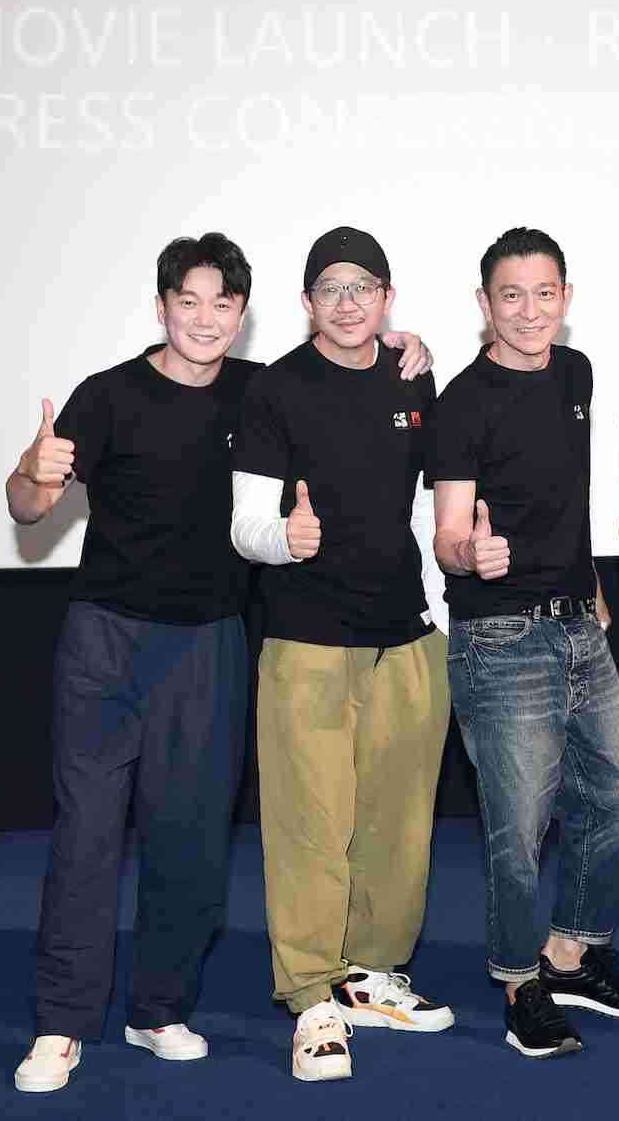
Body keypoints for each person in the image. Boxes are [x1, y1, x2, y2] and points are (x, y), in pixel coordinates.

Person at [4, 233, 260, 1094]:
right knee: (86, 833)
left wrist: (410, 349)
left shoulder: (262, 394)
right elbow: (29, 506)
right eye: (188, 301)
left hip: (209, 643)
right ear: (161, 307)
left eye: (222, 303)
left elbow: (349, 384)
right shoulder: (107, 395)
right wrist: (31, 471)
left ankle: (158, 1009)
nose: (204, 319)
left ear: (241, 313)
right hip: (105, 641)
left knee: (192, 839)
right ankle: (60, 1022)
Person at [229, 226, 454, 1083]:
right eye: (331, 287)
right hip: (307, 640)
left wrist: (438, 612)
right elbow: (246, 525)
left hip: (407, 638)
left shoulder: (413, 375)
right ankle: (312, 995)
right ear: (306, 303)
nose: (349, 301)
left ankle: (369, 972)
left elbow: (434, 502)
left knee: (399, 827)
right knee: (311, 826)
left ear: (388, 297)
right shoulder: (276, 389)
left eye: (364, 286)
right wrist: (284, 539)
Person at [428, 228, 619, 1062]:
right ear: (484, 304)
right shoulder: (462, 402)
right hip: (499, 637)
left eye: (545, 293)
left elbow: (567, 494)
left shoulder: (577, 373)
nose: (530, 311)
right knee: (518, 828)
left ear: (567, 296)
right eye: (511, 295)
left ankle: (569, 954)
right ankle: (520, 982)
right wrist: (470, 552)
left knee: (618, 797)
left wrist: (590, 592)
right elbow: (448, 532)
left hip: (579, 626)